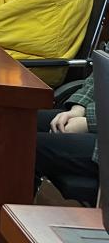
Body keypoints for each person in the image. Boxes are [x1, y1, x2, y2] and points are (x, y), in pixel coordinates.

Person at [34, 66, 99, 205]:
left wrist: (89, 122)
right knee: (19, 125)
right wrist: (78, 109)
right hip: (97, 114)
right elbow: (100, 75)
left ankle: (6, 213)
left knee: (28, 146)